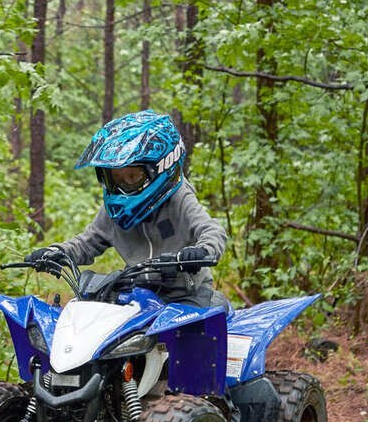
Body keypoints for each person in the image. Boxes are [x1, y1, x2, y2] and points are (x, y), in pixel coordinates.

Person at [27, 110, 228, 307]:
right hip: (140, 291)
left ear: (159, 168)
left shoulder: (179, 198)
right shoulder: (115, 210)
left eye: (132, 177)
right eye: (115, 179)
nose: (122, 188)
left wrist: (200, 252)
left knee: (192, 335)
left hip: (187, 293)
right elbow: (87, 243)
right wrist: (55, 252)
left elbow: (211, 229)